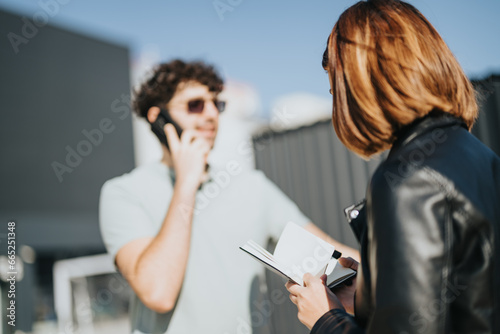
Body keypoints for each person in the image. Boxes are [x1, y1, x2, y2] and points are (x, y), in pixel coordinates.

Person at [285, 0, 500, 333]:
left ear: (360, 82)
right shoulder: (479, 156)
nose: (337, 104)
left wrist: (325, 319)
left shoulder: (409, 180)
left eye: (336, 89)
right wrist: (371, 294)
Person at [99, 59, 359, 334]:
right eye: (195, 104)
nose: (211, 114)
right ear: (157, 117)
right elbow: (158, 293)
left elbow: (333, 255)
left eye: (217, 104)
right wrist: (186, 184)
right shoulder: (123, 193)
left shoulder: (252, 186)